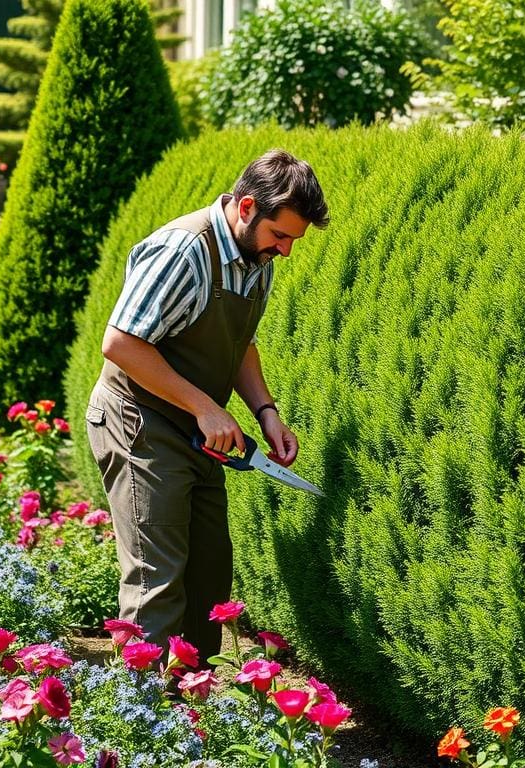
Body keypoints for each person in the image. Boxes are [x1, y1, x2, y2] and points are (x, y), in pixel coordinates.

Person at [85, 149, 329, 664]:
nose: (285, 251)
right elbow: (121, 344)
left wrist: (266, 412)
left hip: (197, 432)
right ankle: (138, 723)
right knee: (159, 578)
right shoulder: (183, 250)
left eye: (292, 240)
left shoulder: (255, 257)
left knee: (208, 575)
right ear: (246, 208)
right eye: (280, 236)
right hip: (138, 425)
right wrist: (205, 407)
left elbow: (239, 341)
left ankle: (189, 714)